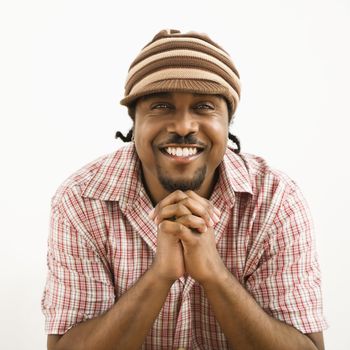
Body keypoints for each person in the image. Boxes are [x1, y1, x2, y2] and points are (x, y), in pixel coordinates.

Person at [42, 29, 328, 350]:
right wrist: (160, 276)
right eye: (161, 106)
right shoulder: (82, 199)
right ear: (134, 121)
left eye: (204, 106)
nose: (182, 126)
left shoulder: (276, 200)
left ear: (228, 121)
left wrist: (214, 275)